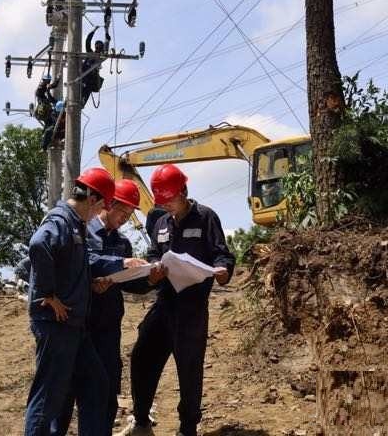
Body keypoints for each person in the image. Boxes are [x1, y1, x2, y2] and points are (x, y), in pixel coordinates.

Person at [116, 164, 235, 436]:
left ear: (183, 191)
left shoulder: (206, 217)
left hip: (192, 307)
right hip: (165, 303)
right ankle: (142, 420)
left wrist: (222, 271)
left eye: (170, 199)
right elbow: (152, 253)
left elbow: (221, 254)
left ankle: (188, 427)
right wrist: (153, 267)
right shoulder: (160, 222)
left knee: (189, 368)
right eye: (162, 201)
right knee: (142, 356)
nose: (166, 205)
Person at [52, 180, 156, 436]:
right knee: (64, 393)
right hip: (79, 323)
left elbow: (129, 284)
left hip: (108, 327)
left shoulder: (122, 243)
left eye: (130, 214)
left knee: (107, 392)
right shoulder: (81, 232)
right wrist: (105, 272)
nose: (124, 218)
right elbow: (80, 263)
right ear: (107, 204)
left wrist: (151, 279)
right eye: (122, 211)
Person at [24, 167, 117, 436]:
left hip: (74, 326)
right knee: (47, 398)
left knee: (96, 383)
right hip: (56, 325)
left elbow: (81, 262)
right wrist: (48, 295)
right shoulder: (60, 220)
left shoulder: (75, 225)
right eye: (100, 208)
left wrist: (120, 263)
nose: (98, 214)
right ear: (93, 200)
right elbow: (38, 245)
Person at [80, 28, 106, 106]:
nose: (98, 47)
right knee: (83, 88)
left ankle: (82, 102)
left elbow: (88, 42)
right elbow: (88, 41)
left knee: (88, 88)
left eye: (99, 46)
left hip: (90, 78)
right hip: (84, 75)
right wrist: (93, 31)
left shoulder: (101, 57)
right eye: (97, 45)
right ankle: (79, 101)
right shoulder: (90, 53)